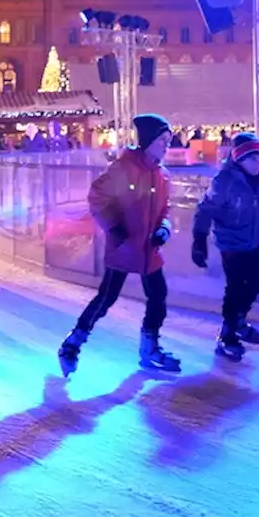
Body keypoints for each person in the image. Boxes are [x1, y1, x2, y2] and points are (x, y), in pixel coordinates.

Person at [57, 114, 180, 377]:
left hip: (149, 250)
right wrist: (114, 226)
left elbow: (165, 210)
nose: (166, 146)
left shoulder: (162, 175)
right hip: (124, 247)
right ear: (148, 141)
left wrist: (163, 229)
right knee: (107, 298)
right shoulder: (124, 168)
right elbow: (97, 196)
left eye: (168, 140)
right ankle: (73, 343)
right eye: (162, 140)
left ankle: (150, 348)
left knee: (158, 296)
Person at [191, 131, 259, 362]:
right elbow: (206, 208)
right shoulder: (225, 180)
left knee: (258, 280)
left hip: (252, 239)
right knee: (237, 286)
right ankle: (228, 334)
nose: (257, 162)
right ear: (239, 160)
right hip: (230, 240)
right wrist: (199, 239)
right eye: (251, 158)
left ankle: (237, 320)